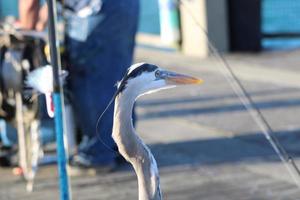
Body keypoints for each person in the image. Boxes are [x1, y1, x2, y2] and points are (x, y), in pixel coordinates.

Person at [19, 0, 139, 174]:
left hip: (94, 11)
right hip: (124, 7)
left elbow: (29, 4)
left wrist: (26, 32)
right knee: (117, 75)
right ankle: (122, 147)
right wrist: (41, 20)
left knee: (90, 81)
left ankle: (96, 154)